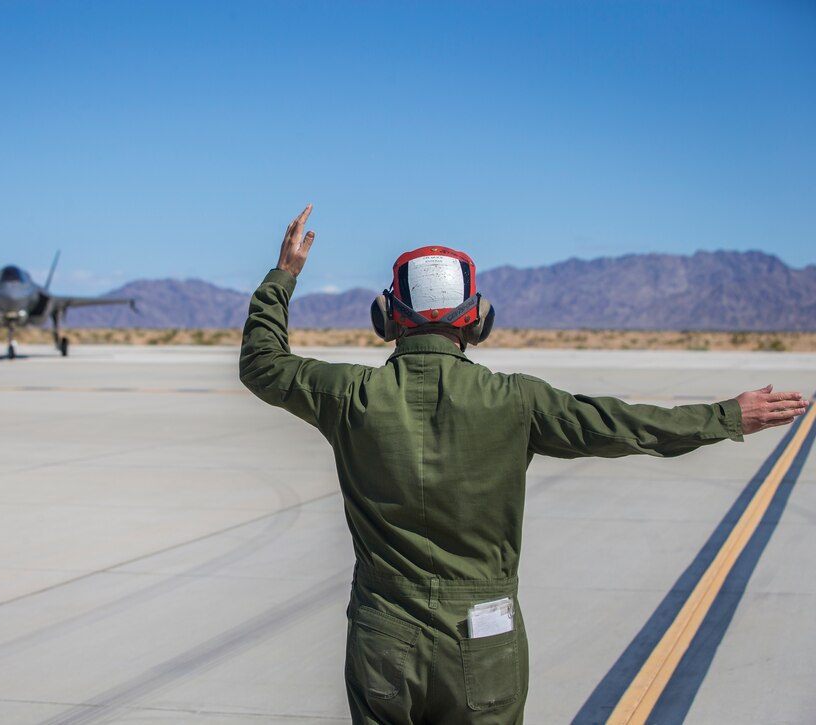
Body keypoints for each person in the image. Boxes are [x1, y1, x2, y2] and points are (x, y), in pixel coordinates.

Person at [238, 204, 808, 725]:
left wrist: (283, 275)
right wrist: (725, 416)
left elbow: (263, 363)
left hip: (384, 636)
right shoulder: (516, 400)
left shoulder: (348, 394)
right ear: (476, 320)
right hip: (483, 638)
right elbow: (626, 425)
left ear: (387, 317)